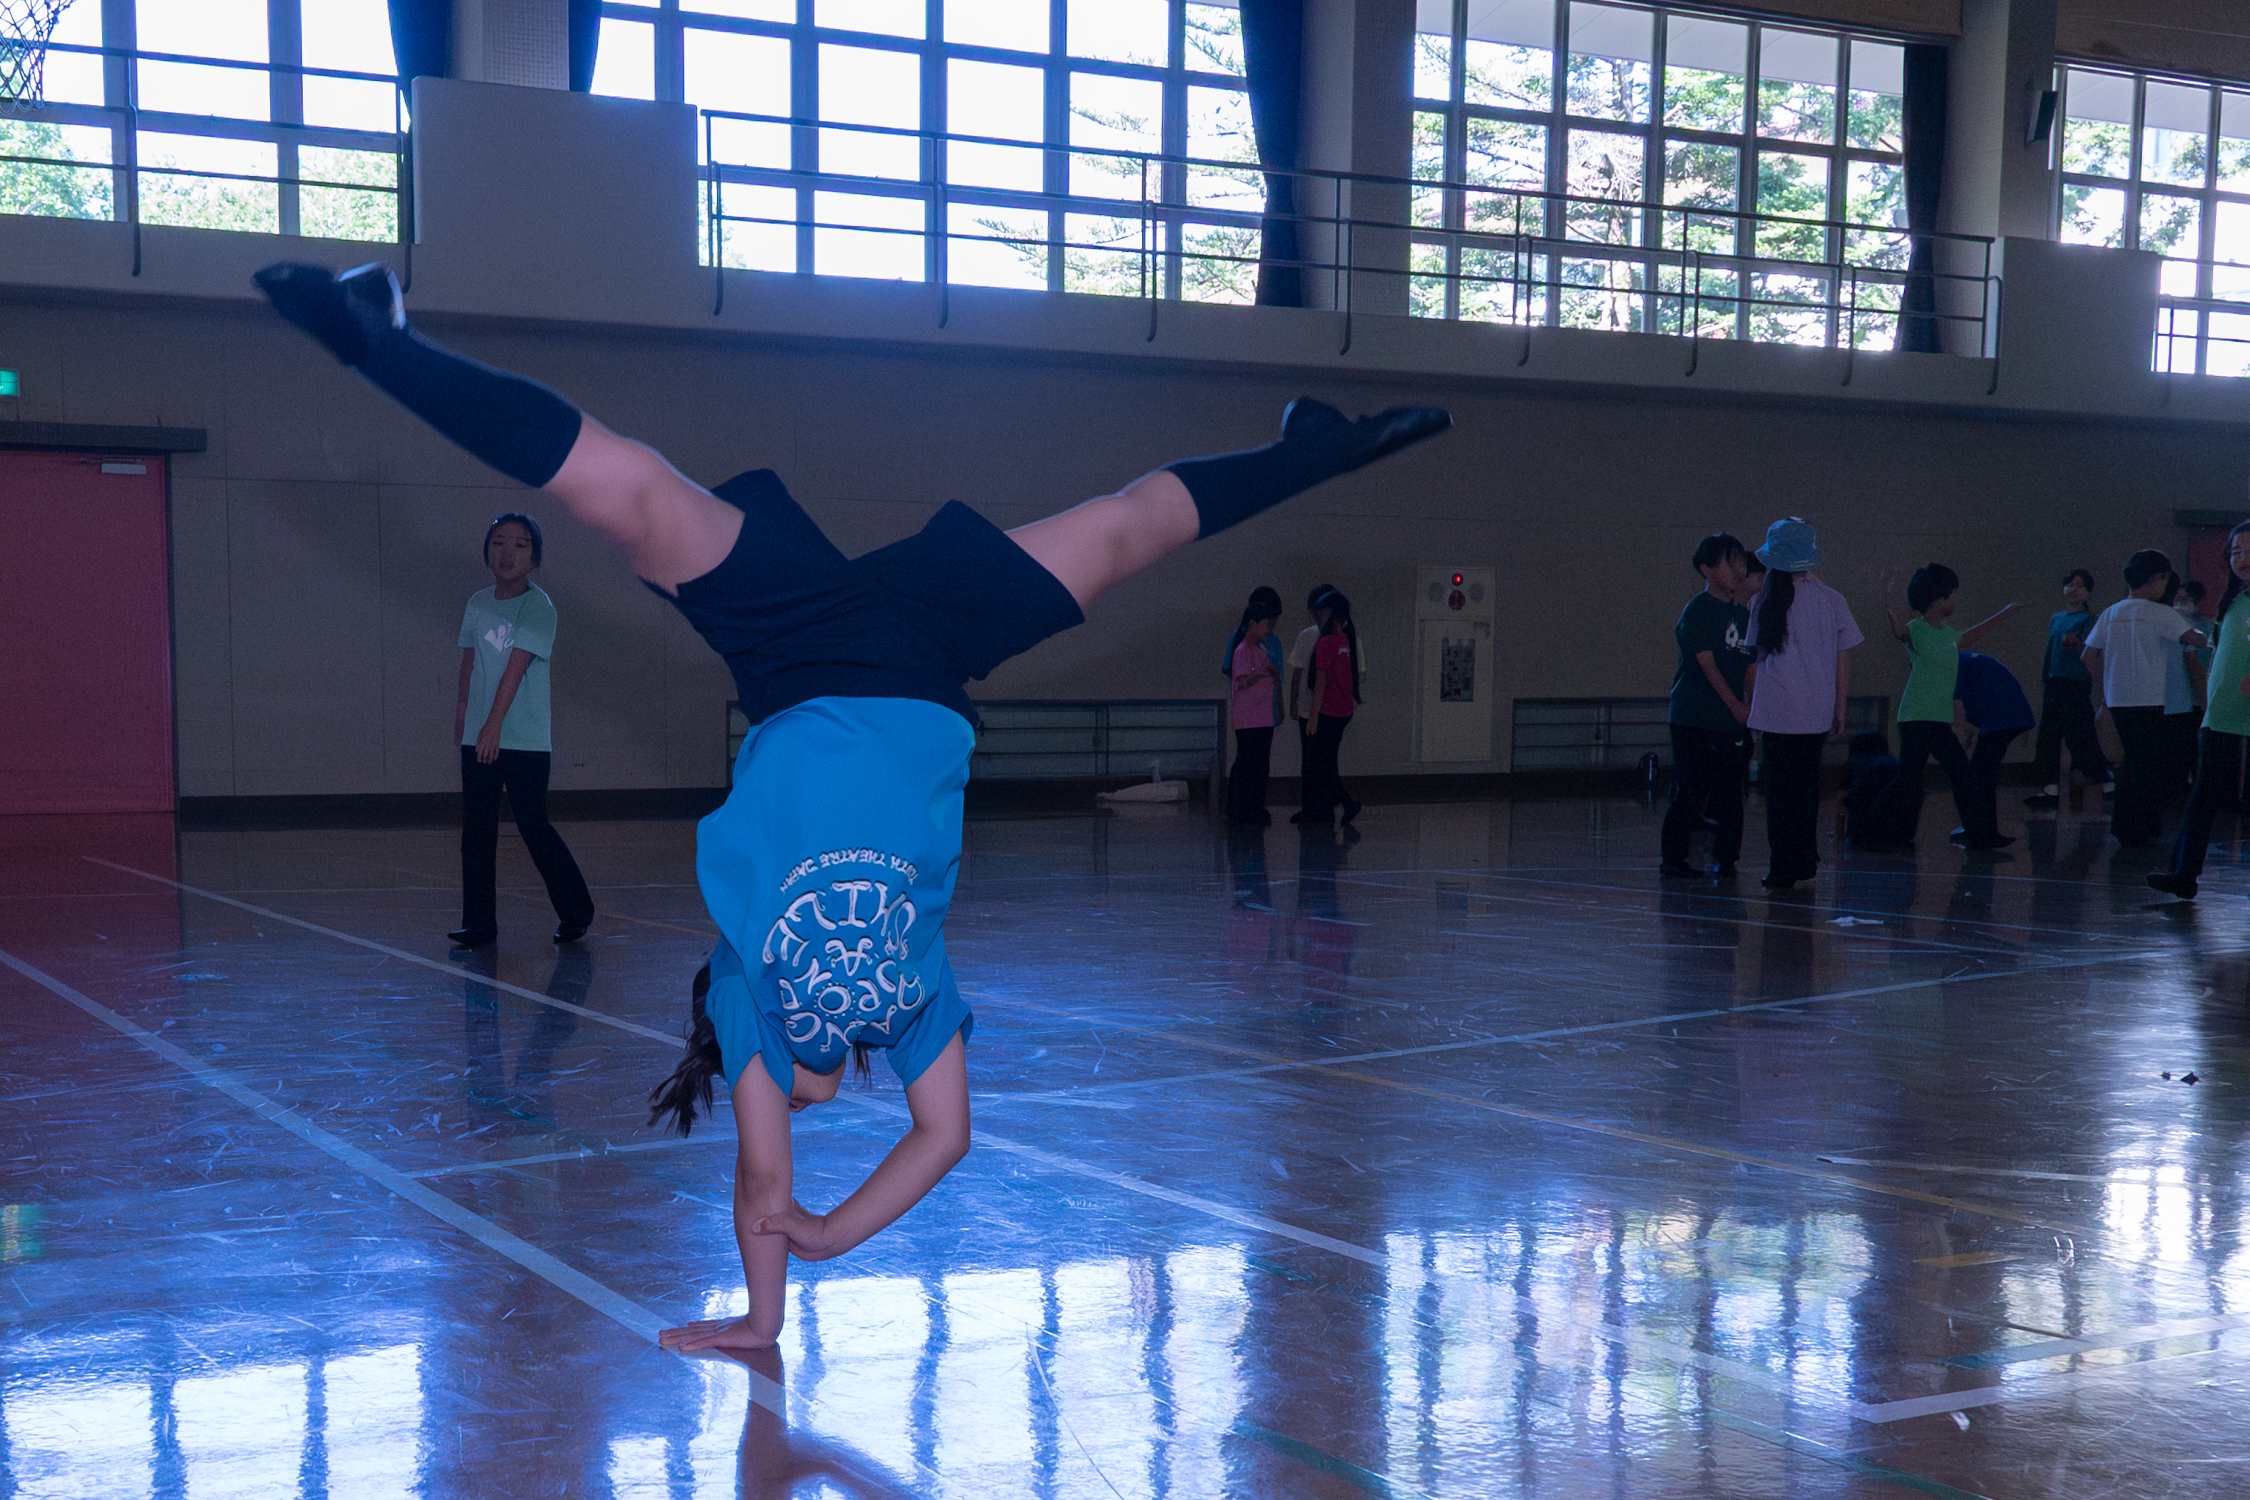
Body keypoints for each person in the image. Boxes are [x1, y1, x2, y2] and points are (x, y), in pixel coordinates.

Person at [251, 259, 1450, 1352]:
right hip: (920, 661)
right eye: (814, 1094)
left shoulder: (751, 1001)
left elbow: (764, 1188)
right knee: (1118, 533)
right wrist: (822, 1244)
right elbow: (935, 1141)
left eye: (773, 1091)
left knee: (628, 494)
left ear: (734, 1057)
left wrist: (780, 1281)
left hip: (801, 656)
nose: (810, 1098)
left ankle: (379, 340)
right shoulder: (912, 1000)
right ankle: (1315, 452)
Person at [450, 511, 597, 946]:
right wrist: (464, 718)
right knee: (476, 829)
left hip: (524, 739)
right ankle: (479, 925)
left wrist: (493, 726)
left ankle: (577, 910)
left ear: (534, 557)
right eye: (498, 542)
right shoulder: (477, 602)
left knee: (533, 824)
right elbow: (470, 661)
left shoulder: (538, 607)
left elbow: (515, 669)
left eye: (519, 545)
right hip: (478, 736)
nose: (507, 552)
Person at [1869, 563, 2023, 852]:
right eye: (1949, 596)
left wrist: (2004, 615)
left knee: (1944, 777)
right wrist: (1885, 593)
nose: (1953, 601)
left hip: (1934, 719)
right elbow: (1898, 628)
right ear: (1936, 600)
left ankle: (1980, 836)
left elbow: (1972, 635)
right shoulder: (1917, 630)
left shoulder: (1947, 635)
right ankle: (1875, 827)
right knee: (1923, 779)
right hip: (1917, 717)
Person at [1744, 518, 1862, 890]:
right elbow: (1844, 658)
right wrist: (1839, 708)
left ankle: (1782, 867)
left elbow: (1759, 653)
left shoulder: (1763, 600)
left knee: (1779, 794)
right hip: (1815, 711)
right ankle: (1806, 859)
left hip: (1778, 711)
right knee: (1807, 791)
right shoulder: (1833, 600)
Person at [2148, 522, 2250, 899]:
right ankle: (2183, 874)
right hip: (2221, 713)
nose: (2242, 558)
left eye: (2249, 550)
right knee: (2203, 796)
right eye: (2236, 551)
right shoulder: (2234, 601)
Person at [2083, 549, 2208, 848]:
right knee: (2148, 764)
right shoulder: (2161, 612)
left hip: (2118, 698)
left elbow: (2087, 656)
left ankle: (2129, 825)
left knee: (2135, 761)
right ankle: (2135, 826)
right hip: (2151, 698)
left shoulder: (2111, 612)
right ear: (2157, 578)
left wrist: (2111, 679)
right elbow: (2194, 639)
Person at [1660, 533, 1756, 878]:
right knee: (1692, 787)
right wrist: (1737, 707)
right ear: (1708, 567)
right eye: (1730, 561)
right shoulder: (1697, 611)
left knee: (1732, 792)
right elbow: (1707, 664)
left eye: (1741, 562)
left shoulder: (1743, 617)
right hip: (1694, 717)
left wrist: (1753, 708)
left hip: (1730, 721)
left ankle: (1727, 857)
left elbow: (1750, 667)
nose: (1738, 569)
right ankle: (1673, 858)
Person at [2025, 569, 2111, 807]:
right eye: (2070, 584)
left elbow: (2087, 648)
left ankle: (2104, 778)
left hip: (2075, 681)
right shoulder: (2057, 617)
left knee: (2080, 732)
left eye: (2079, 586)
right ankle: (2050, 785)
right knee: (2049, 735)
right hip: (2055, 680)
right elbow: (2050, 650)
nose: (2073, 589)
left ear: (2088, 593)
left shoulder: (2089, 619)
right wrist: (2046, 675)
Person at [1951, 651, 2034, 849]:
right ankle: (1981, 831)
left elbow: (1957, 709)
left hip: (2000, 721)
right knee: (1982, 775)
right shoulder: (1965, 660)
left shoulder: (1952, 667)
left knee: (1980, 777)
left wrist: (1962, 738)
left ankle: (1983, 833)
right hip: (2008, 718)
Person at [1295, 591, 1363, 826]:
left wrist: (1313, 716)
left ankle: (1345, 803)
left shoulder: (1325, 643)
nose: (1316, 616)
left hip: (1330, 711)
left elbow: (1321, 681)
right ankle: (1341, 804)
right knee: (1327, 761)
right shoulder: (1344, 640)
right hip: (1342, 711)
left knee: (1322, 764)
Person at [1223, 588, 1284, 825]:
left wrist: (1278, 705)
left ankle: (1256, 806)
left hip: (1266, 711)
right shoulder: (1240, 642)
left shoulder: (1273, 643)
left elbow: (1277, 676)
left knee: (1261, 761)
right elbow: (1232, 671)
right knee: (1246, 760)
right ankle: (1240, 807)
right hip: (1248, 713)